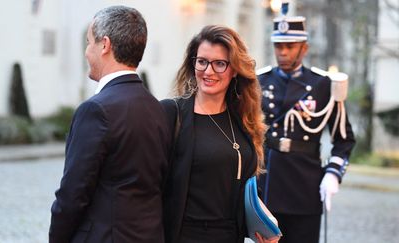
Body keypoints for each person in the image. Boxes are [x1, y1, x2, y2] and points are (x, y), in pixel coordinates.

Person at [49, 6, 171, 243]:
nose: (86, 52)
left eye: (89, 42)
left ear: (104, 45)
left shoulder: (95, 110)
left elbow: (72, 195)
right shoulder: (158, 108)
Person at [160, 25, 279, 243]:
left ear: (234, 70)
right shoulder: (171, 112)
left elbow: (243, 184)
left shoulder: (243, 119)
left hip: (229, 236)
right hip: (184, 236)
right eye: (202, 61)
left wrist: (265, 220)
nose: (208, 71)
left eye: (219, 64)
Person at [257, 2, 355, 243]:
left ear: (304, 48)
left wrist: (333, 174)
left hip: (305, 185)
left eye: (290, 46)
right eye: (279, 46)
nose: (283, 52)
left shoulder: (323, 85)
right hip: (267, 184)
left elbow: (343, 139)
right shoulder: (259, 81)